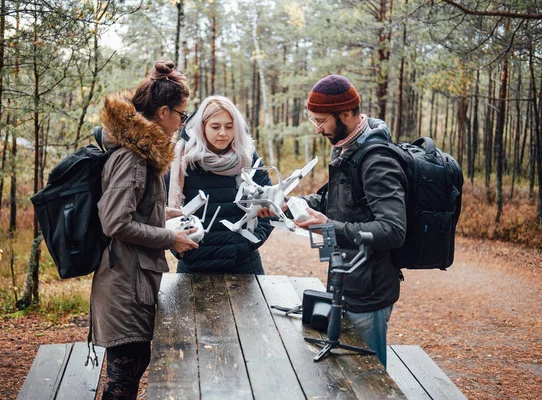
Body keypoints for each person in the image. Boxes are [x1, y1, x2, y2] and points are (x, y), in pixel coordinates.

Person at [261, 75, 407, 368]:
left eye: (321, 121)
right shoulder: (347, 149)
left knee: (370, 376)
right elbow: (334, 203)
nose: (318, 130)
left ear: (346, 113)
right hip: (346, 279)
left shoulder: (376, 159)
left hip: (369, 290)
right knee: (346, 372)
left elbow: (393, 230)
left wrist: (330, 226)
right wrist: (289, 205)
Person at [90, 60, 198, 400]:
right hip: (124, 286)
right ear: (163, 112)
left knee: (133, 369)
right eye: (181, 114)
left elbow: (131, 207)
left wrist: (165, 212)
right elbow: (115, 221)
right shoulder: (134, 157)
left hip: (133, 282)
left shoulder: (142, 154)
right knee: (123, 381)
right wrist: (170, 236)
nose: (182, 122)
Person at [167, 95, 274, 274]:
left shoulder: (248, 157)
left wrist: (247, 244)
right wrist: (181, 250)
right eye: (215, 127)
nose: (223, 133)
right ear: (202, 127)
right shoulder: (183, 160)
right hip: (194, 264)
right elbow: (162, 210)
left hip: (243, 265)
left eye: (229, 127)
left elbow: (271, 205)